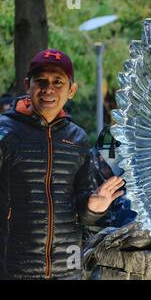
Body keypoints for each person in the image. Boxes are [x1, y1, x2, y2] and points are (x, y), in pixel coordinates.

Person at [0, 49, 125, 279]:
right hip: (13, 267)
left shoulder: (77, 138)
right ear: (28, 85)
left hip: (68, 267)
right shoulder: (5, 133)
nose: (48, 89)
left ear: (71, 90)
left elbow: (83, 212)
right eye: (41, 81)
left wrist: (94, 206)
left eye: (58, 81)